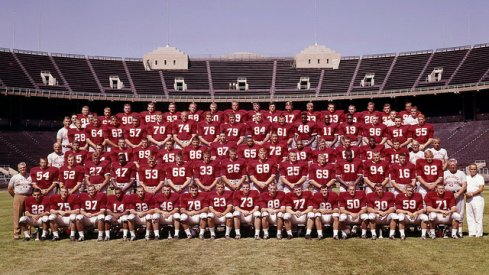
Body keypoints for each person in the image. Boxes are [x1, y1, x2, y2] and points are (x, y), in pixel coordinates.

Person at [8, 162, 33, 240]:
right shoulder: (15, 177)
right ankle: (17, 233)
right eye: (21, 168)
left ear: (26, 168)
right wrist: (15, 196)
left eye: (24, 167)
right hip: (18, 196)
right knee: (17, 216)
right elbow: (10, 189)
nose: (22, 169)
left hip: (29, 197)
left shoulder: (30, 176)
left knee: (28, 215)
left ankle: (27, 233)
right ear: (18, 169)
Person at [443, 159, 467, 237]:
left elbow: (464, 185)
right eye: (451, 165)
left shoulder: (461, 173)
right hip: (447, 195)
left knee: (460, 212)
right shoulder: (445, 173)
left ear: (456, 165)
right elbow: (441, 185)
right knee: (448, 212)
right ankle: (448, 230)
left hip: (458, 194)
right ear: (448, 166)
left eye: (454, 165)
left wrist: (459, 193)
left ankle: (459, 231)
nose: (452, 166)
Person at [465, 164, 484, 237]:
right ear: (469, 170)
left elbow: (481, 189)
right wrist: (466, 193)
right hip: (468, 199)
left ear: (477, 170)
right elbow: (464, 187)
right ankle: (472, 232)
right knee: (470, 216)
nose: (473, 171)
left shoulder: (480, 177)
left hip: (477, 198)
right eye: (471, 169)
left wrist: (472, 194)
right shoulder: (466, 178)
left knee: (478, 216)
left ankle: (478, 233)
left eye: (474, 169)